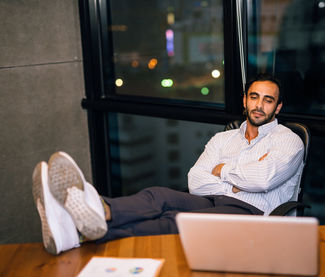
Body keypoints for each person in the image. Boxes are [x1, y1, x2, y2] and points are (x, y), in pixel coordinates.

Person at [32, 73, 304, 255]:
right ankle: (99, 211)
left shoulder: (289, 141)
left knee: (173, 221)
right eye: (254, 97)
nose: (259, 105)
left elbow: (265, 179)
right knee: (157, 196)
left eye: (268, 100)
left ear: (277, 107)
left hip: (253, 213)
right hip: (211, 199)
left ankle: (76, 230)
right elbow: (195, 182)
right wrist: (237, 180)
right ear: (245, 100)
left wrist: (224, 172)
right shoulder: (224, 138)